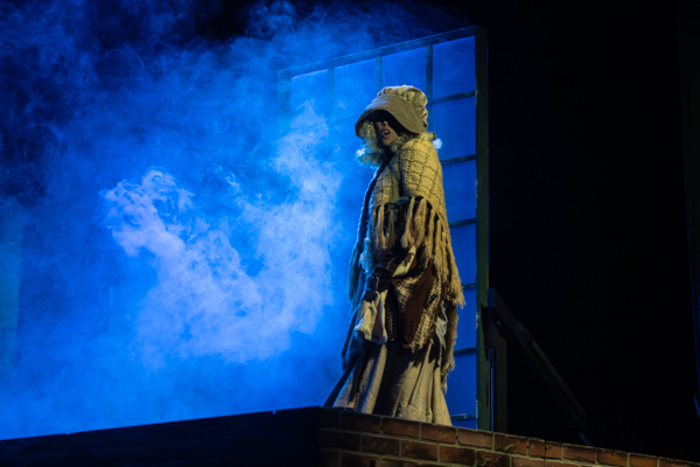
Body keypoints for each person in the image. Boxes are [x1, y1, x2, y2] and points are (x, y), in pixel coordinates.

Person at [324, 85, 464, 425]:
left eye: (392, 118)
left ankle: (398, 429)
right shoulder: (391, 162)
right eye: (379, 119)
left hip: (409, 273)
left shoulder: (417, 151)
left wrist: (399, 263)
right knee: (385, 354)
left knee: (404, 350)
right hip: (391, 272)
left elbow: (422, 215)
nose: (384, 126)